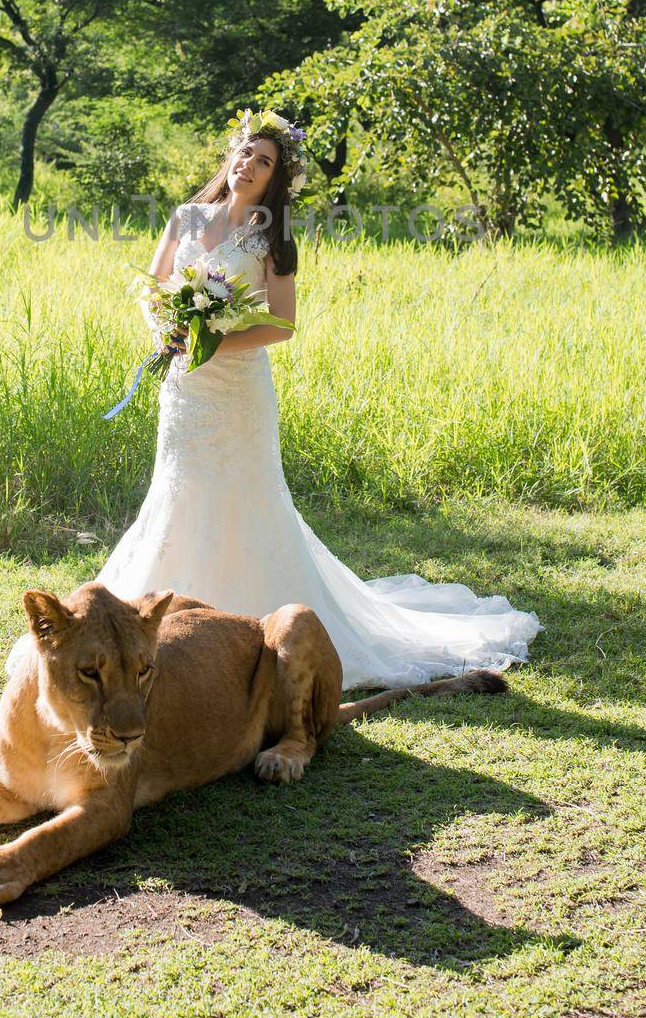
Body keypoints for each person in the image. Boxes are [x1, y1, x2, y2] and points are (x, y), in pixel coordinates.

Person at [97, 109, 541, 690]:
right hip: (184, 387)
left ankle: (250, 635)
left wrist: (216, 341)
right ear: (229, 157)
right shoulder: (186, 217)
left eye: (264, 161)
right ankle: (162, 629)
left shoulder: (272, 239)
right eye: (245, 153)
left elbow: (282, 325)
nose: (249, 166)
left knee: (244, 501)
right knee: (179, 493)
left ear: (276, 178)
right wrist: (169, 332)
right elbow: (151, 287)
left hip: (238, 393)